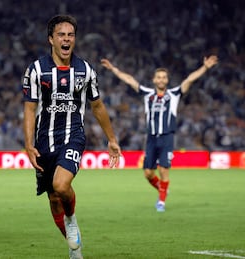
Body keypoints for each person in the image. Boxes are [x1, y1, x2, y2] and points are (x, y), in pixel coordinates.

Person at [22, 14, 121, 259]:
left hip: (73, 136)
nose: (66, 39)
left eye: (70, 35)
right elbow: (30, 109)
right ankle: (72, 248)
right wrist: (28, 144)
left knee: (61, 185)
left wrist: (112, 139)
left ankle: (72, 219)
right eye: (61, 35)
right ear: (51, 40)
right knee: (54, 199)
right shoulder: (36, 70)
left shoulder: (85, 70)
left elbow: (97, 106)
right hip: (44, 141)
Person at [101, 55, 218, 212]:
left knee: (163, 169)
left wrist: (205, 68)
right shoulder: (147, 94)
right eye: (159, 77)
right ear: (154, 80)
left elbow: (189, 80)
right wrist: (113, 69)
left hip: (167, 137)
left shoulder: (174, 94)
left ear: (167, 81)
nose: (161, 80)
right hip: (151, 137)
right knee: (148, 173)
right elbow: (130, 80)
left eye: (164, 77)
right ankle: (163, 189)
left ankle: (161, 202)